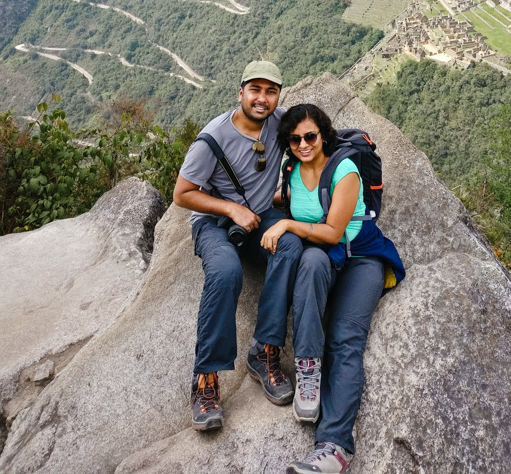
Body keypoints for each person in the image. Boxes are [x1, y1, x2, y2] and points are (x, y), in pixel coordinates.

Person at [260, 104, 405, 474]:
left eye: (310, 136)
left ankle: (334, 449)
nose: (303, 144)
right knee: (308, 264)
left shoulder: (344, 169)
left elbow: (332, 232)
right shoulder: (291, 169)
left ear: (323, 134)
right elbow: (288, 201)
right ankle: (308, 366)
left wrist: (286, 226)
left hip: (359, 258)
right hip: (324, 258)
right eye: (295, 139)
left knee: (344, 339)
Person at [173, 60, 303, 431]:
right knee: (226, 272)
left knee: (291, 246)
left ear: (279, 95)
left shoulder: (280, 123)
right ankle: (206, 378)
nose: (263, 99)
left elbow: (316, 139)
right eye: (255, 90)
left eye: (271, 91)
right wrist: (231, 207)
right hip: (214, 224)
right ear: (241, 92)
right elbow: (182, 194)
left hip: (261, 217)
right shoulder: (212, 138)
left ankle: (263, 351)